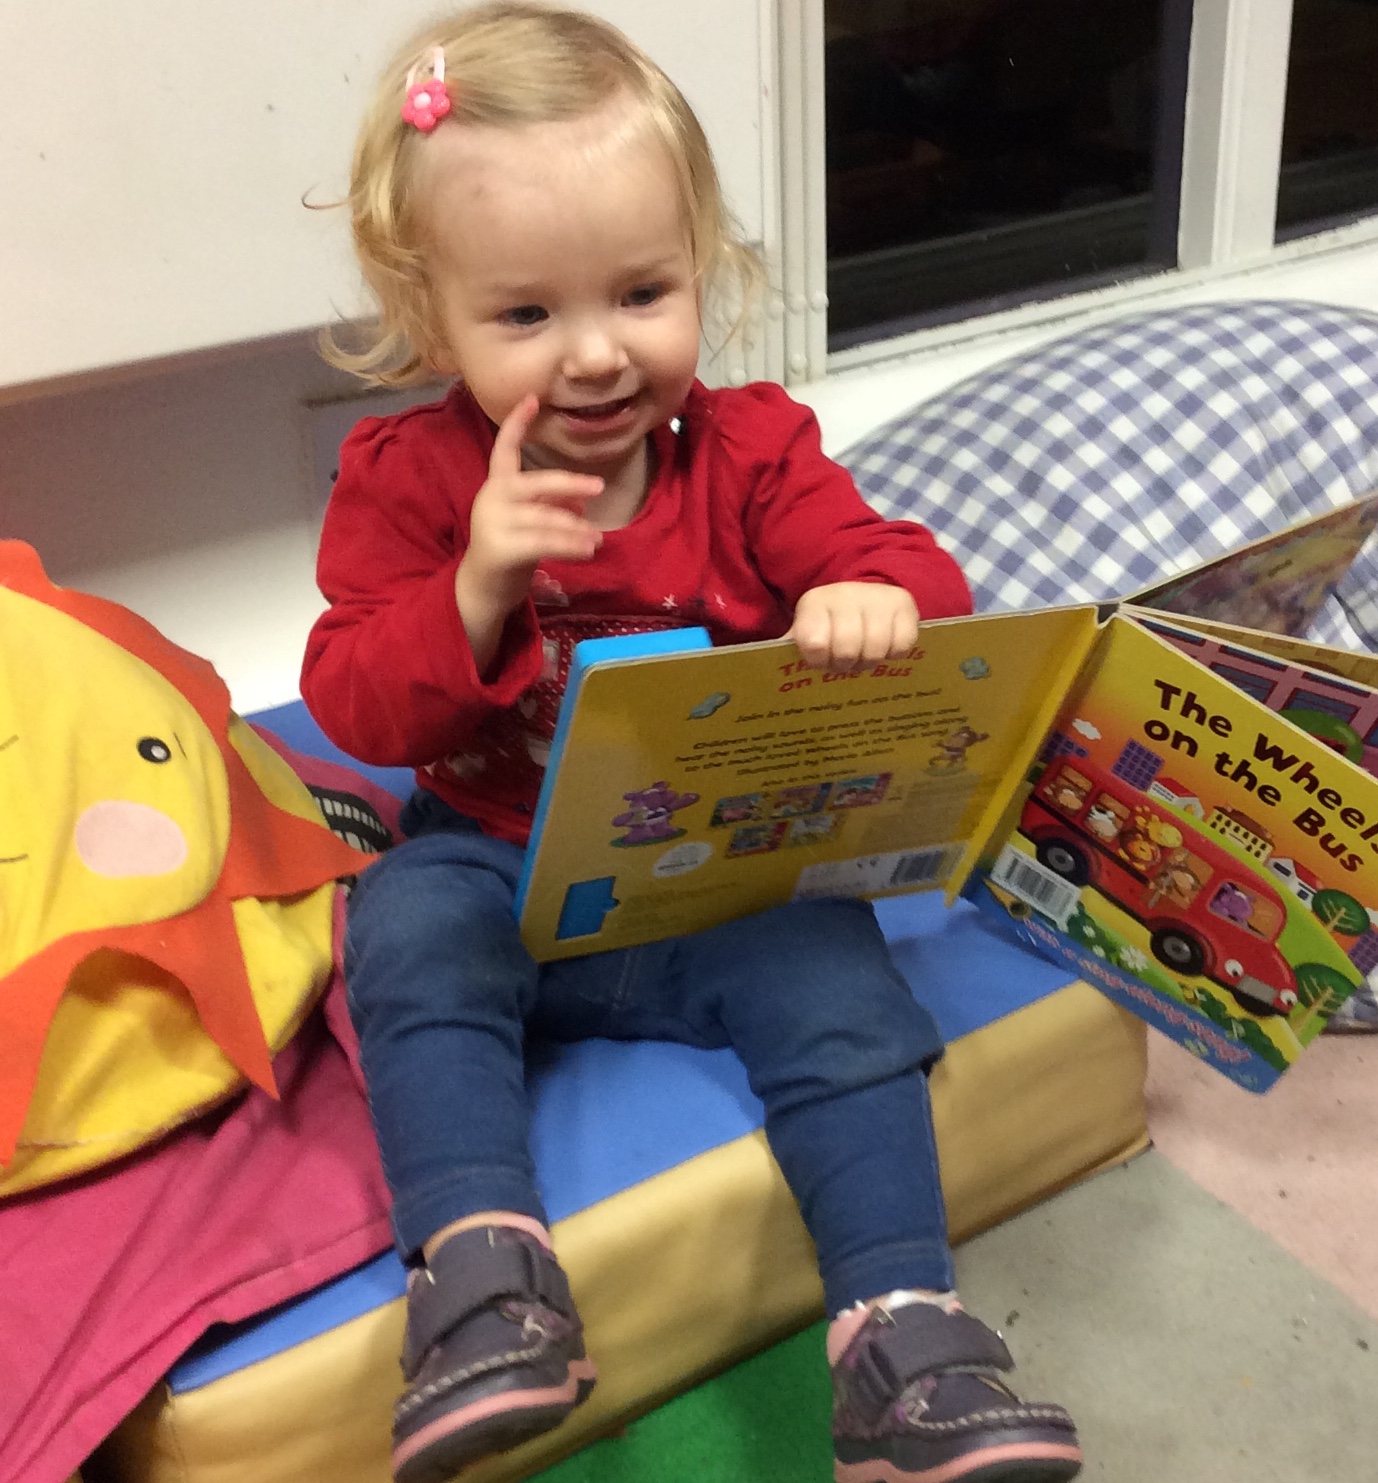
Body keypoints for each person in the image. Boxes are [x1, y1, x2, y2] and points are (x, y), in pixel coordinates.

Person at [301, 7, 1083, 1481]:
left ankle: (902, 1343)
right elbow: (352, 699)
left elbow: (914, 569)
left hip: (703, 882)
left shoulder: (751, 451)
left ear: (703, 268)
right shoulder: (406, 477)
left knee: (837, 968)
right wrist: (475, 584)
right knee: (399, 926)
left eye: (645, 292)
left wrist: (866, 597)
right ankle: (482, 1286)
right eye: (526, 317)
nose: (598, 356)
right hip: (497, 866)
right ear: (432, 314)